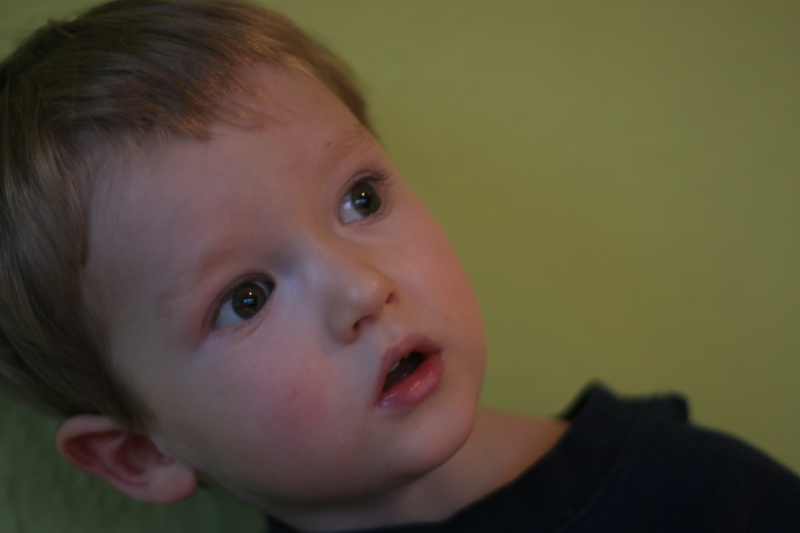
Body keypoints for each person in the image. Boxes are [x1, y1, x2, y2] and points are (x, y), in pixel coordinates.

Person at [0, 1, 798, 531]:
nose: (362, 288)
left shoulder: (700, 497)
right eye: (246, 297)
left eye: (360, 199)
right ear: (142, 453)